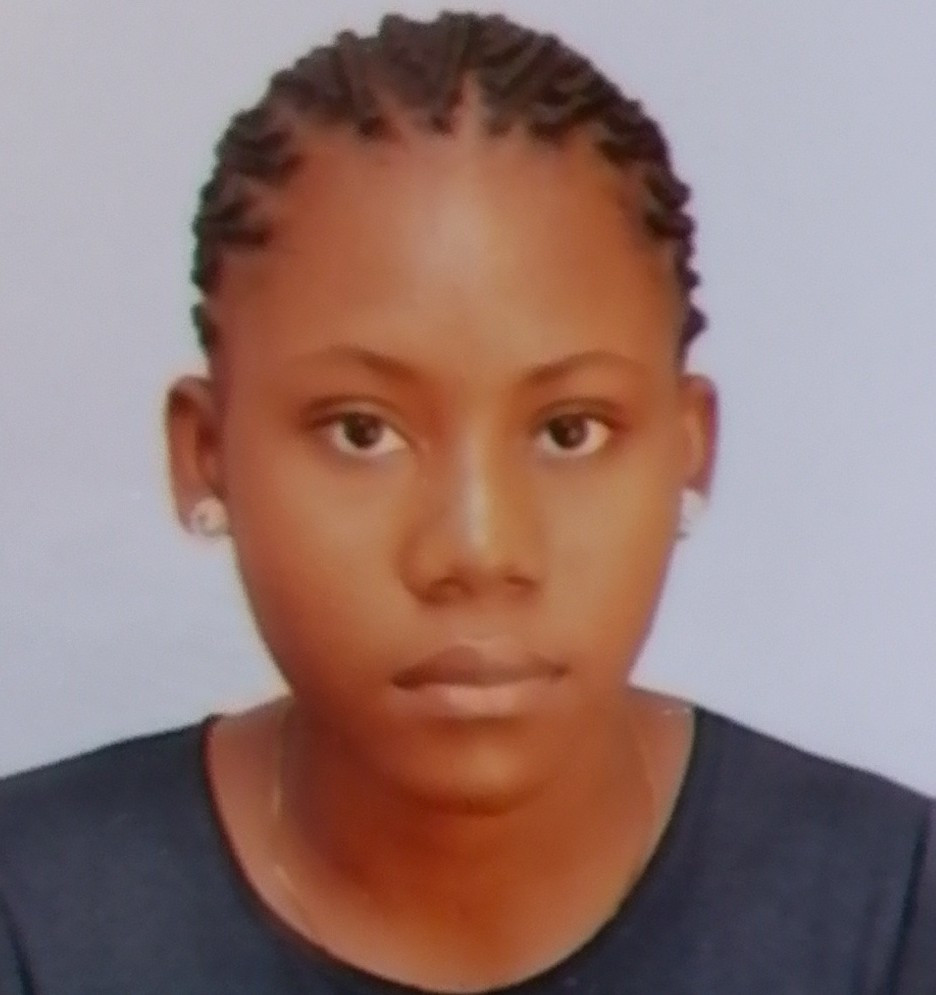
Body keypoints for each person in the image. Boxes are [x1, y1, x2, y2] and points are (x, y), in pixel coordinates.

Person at [0, 11, 933, 994]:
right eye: (363, 431)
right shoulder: (34, 919)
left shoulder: (891, 915)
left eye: (569, 431)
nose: (478, 549)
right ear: (205, 453)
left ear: (688, 450)